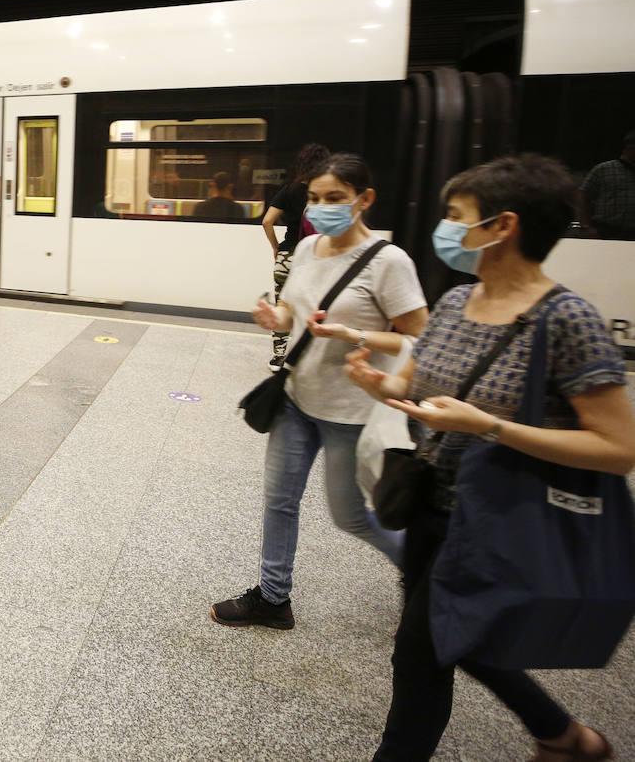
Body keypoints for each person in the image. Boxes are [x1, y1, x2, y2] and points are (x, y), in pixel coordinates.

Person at [344, 154, 634, 762]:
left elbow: (617, 449)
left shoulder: (567, 320)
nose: (445, 228)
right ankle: (565, 737)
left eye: (456, 216)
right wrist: (382, 386)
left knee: (420, 651)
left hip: (497, 518)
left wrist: (491, 426)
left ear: (503, 226)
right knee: (456, 638)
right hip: (429, 505)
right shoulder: (454, 302)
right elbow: (415, 387)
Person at [211, 153, 429, 630]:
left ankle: (425, 572)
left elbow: (421, 338)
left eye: (334, 198)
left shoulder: (389, 262)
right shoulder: (308, 249)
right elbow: (292, 312)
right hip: (296, 396)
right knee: (279, 500)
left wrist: (356, 336)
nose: (320, 207)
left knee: (349, 515)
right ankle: (273, 599)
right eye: (314, 198)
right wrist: (278, 319)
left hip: (348, 410)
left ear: (364, 199)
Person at [262, 143, 331, 369]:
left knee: (282, 305)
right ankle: (301, 356)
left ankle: (277, 358)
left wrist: (276, 247)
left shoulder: (289, 189)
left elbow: (267, 221)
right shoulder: (325, 195)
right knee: (310, 306)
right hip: (313, 256)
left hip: (286, 255)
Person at [576, 130, 635, 240]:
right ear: (629, 146)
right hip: (606, 231)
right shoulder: (603, 169)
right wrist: (585, 226)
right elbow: (582, 197)